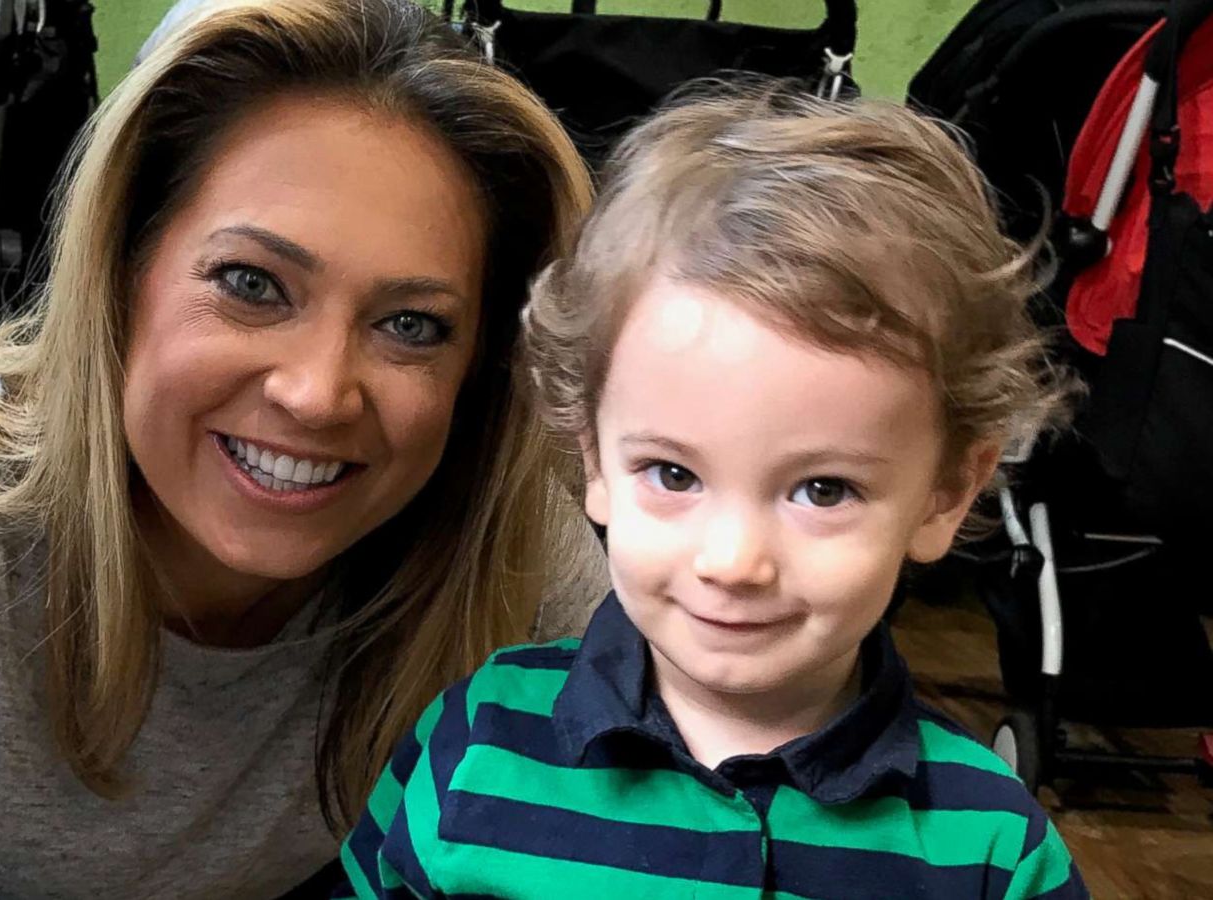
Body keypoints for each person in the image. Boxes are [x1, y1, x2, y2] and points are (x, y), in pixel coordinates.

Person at [0, 0, 605, 897]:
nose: (314, 392)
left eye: (413, 327)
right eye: (251, 284)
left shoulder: (514, 553)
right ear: (120, 273)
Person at [337, 83, 1089, 899]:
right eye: (673, 474)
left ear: (945, 494)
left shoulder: (991, 844)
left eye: (823, 491)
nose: (733, 562)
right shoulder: (475, 746)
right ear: (593, 460)